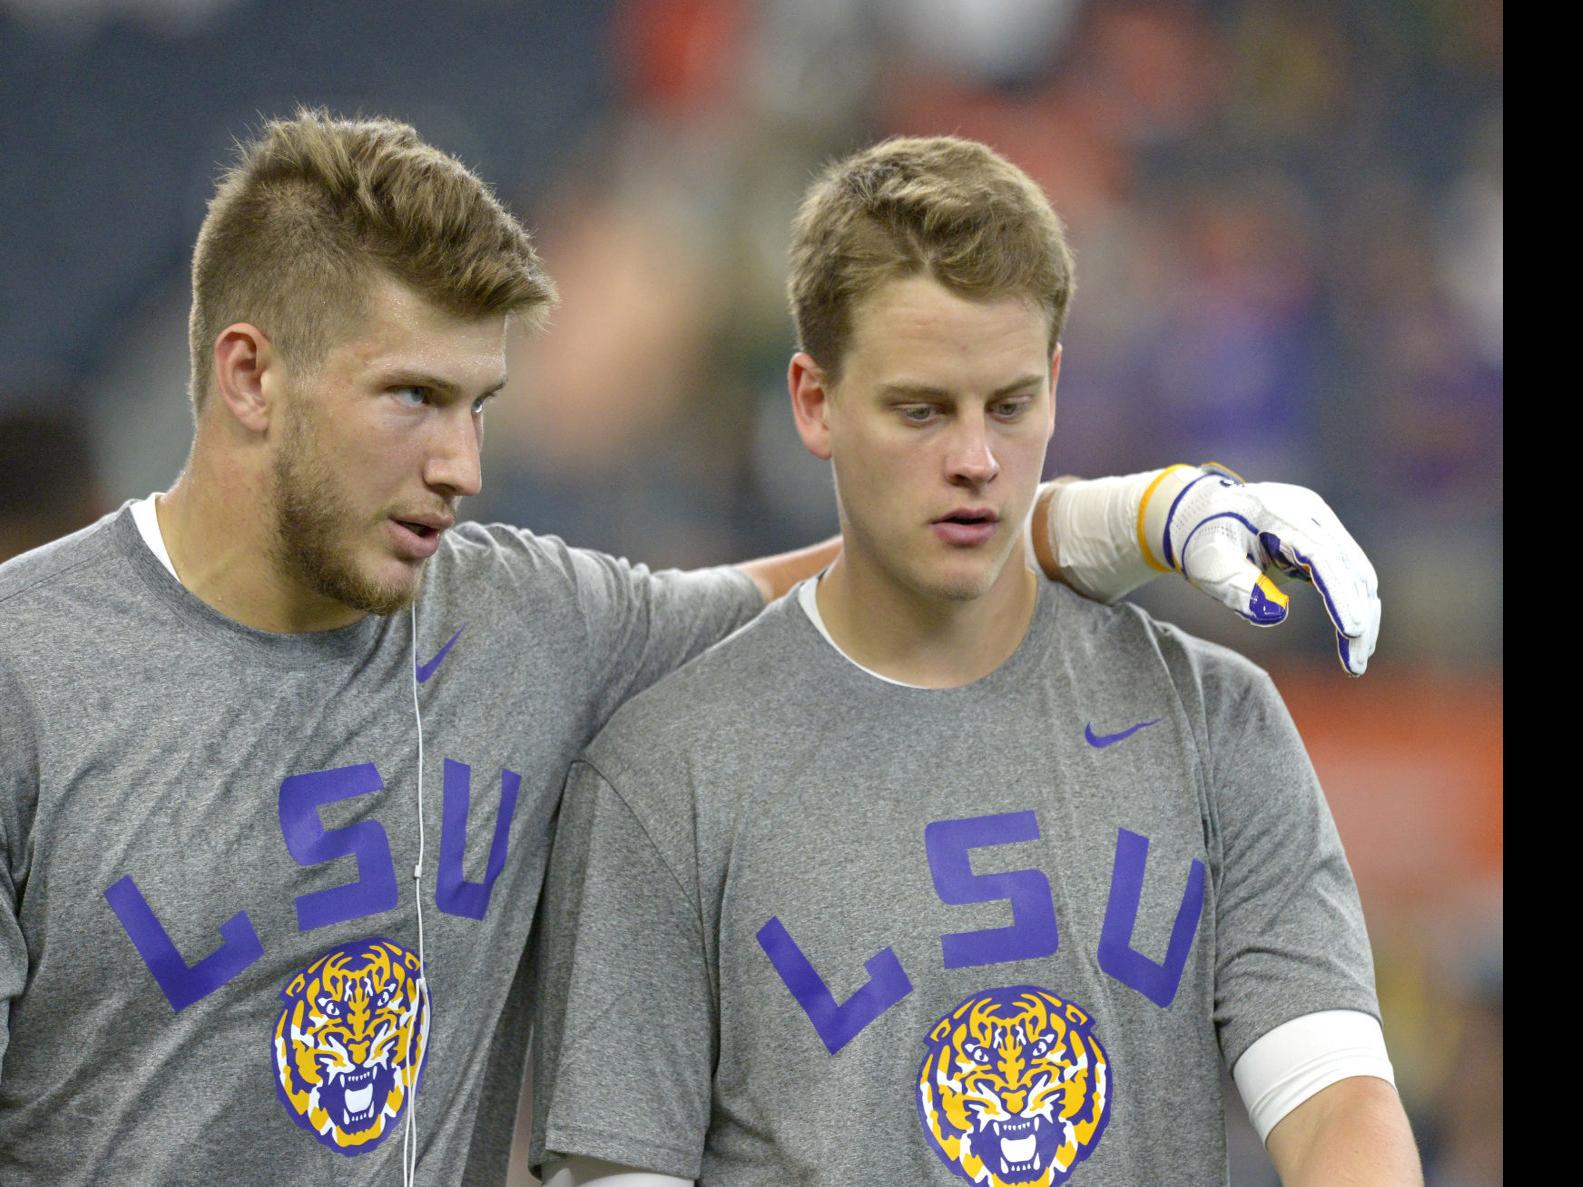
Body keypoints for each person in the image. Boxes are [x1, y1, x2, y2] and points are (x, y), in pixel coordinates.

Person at [0, 112, 1376, 1185]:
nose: (462, 464)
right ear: (249, 375)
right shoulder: (28, 676)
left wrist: (1128, 513)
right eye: (411, 398)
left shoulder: (515, 621)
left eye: (479, 402)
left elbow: (851, 575)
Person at [530, 136, 1418, 1186]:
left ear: (1053, 381)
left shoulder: (1215, 716)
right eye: (919, 410)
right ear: (812, 401)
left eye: (1007, 405)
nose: (973, 460)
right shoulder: (662, 776)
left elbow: (1338, 1105)